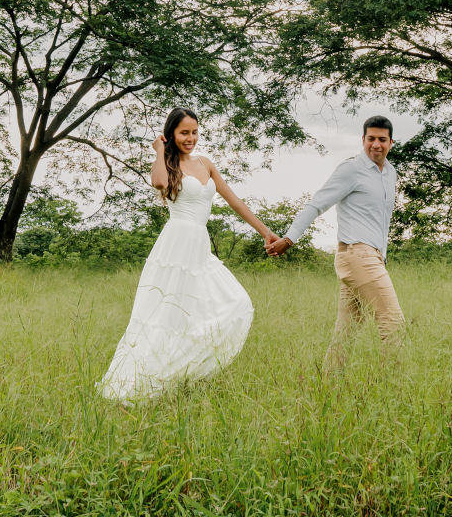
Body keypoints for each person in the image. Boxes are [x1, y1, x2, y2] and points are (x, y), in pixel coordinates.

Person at [97, 106, 280, 403]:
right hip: (177, 244)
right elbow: (159, 183)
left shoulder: (205, 164)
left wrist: (265, 231)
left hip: (200, 245)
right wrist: (159, 150)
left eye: (194, 132)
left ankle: (183, 373)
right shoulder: (168, 165)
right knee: (167, 314)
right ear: (171, 134)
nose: (191, 138)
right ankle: (144, 382)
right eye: (184, 132)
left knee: (237, 303)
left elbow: (233, 200)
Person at [267, 114, 403, 370]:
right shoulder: (351, 169)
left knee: (346, 332)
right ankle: (391, 390)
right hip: (357, 255)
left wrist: (382, 259)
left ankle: (328, 390)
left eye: (382, 140)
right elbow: (317, 204)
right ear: (362, 140)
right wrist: (289, 238)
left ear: (391, 143)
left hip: (372, 257)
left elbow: (381, 222)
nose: (376, 145)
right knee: (393, 323)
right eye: (371, 139)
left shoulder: (390, 174)